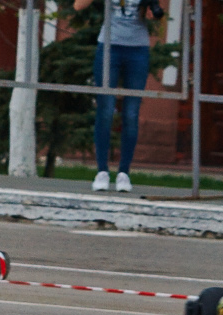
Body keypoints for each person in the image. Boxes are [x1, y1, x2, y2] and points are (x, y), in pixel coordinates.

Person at [75, 0, 153, 192]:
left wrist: (151, 6)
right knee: (106, 110)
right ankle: (102, 171)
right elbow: (78, 5)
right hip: (109, 47)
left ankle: (124, 173)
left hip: (138, 49)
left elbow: (154, 17)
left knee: (131, 114)